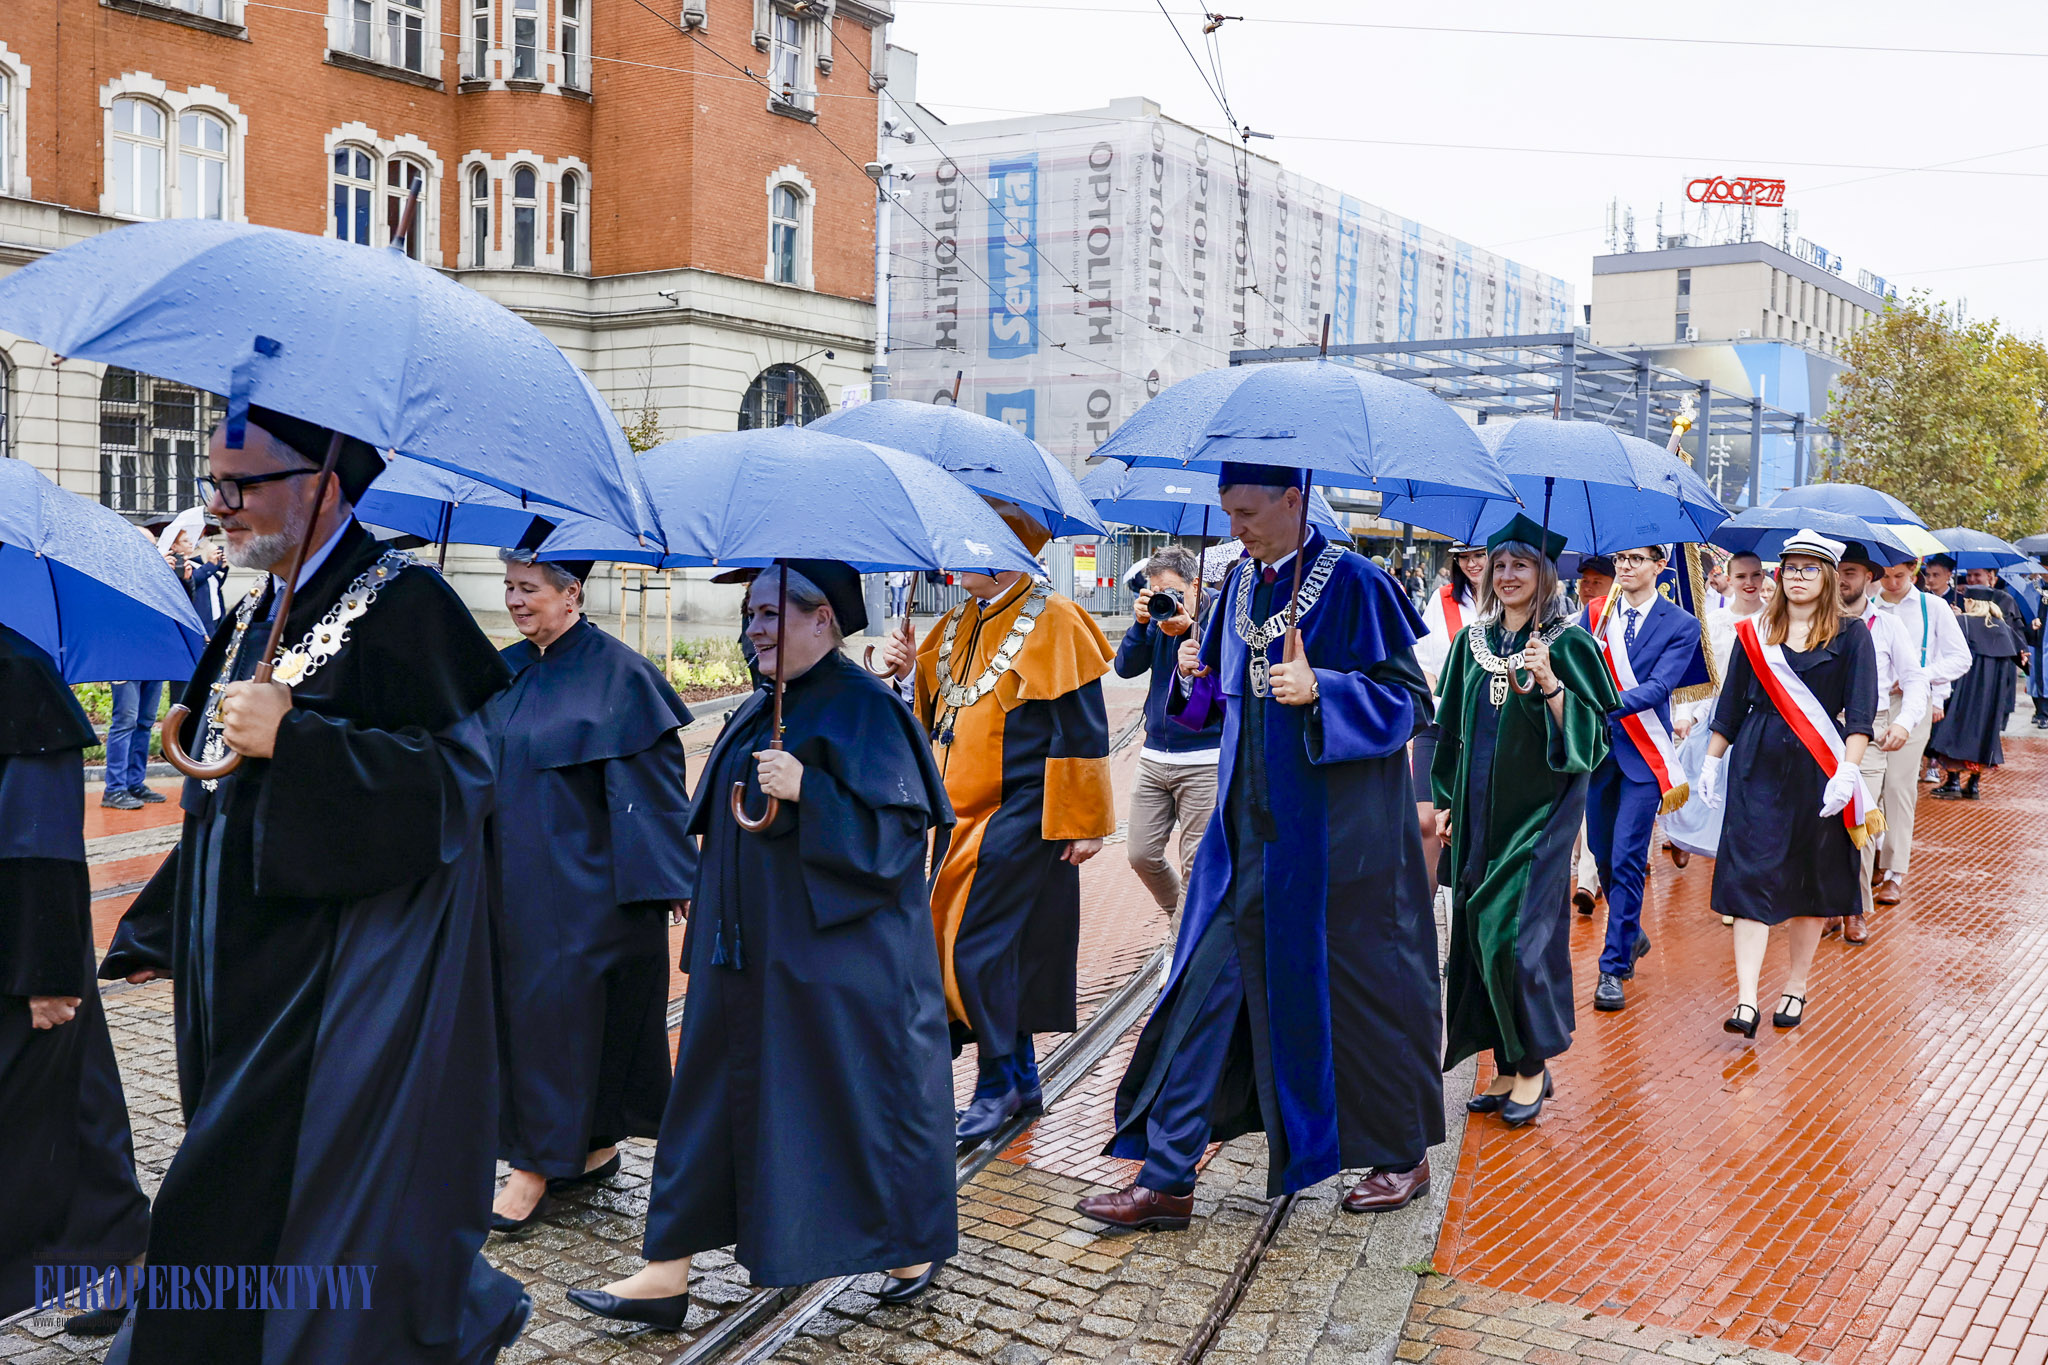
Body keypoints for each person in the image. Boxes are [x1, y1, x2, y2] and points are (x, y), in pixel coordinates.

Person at [98, 405, 530, 1364]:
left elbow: (458, 786)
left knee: (236, 1185)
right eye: (213, 482)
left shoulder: (409, 604)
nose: (218, 505)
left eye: (239, 484)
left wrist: (296, 737)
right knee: (241, 1176)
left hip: (328, 977)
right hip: (234, 964)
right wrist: (162, 923)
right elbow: (221, 794)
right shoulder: (254, 609)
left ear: (324, 484)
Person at [570, 563, 958, 1327]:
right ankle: (665, 1270)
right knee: (704, 1106)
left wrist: (812, 790)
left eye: (772, 613)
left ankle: (907, 1245)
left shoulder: (868, 708)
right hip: (740, 956)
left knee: (845, 1107)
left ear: (824, 619)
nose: (754, 628)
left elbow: (896, 844)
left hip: (827, 967)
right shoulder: (761, 703)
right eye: (750, 613)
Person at [1083, 463, 1442, 1230]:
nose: (1236, 526)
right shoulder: (1238, 586)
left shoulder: (1359, 584)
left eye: (1248, 511)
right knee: (1199, 995)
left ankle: (1403, 1152)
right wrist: (1191, 674)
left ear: (1293, 498)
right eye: (1228, 511)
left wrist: (1326, 691)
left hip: (1335, 849)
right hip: (1240, 841)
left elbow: (1410, 703)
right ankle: (1168, 1176)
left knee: (1363, 999)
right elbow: (1219, 703)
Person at [879, 505, 1116, 1145]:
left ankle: (997, 1083)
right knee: (988, 947)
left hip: (1021, 813)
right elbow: (935, 713)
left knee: (974, 947)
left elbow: (1084, 728)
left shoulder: (1058, 618)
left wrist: (1085, 822)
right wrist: (907, 671)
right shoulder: (957, 621)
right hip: (956, 816)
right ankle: (1020, 1079)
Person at [482, 548, 697, 1234]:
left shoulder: (622, 675)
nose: (515, 600)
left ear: (571, 594)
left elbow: (654, 794)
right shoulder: (504, 668)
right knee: (530, 1020)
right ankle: (592, 1146)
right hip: (511, 883)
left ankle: (532, 1168)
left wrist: (673, 879)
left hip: (587, 894)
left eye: (529, 588)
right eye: (509, 587)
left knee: (558, 1025)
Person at [1432, 517, 1617, 1128]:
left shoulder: (1569, 644)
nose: (1507, 576)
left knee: (1508, 936)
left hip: (1539, 817)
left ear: (1546, 573)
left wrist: (1551, 684)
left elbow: (1592, 742)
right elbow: (1451, 731)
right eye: (1500, 565)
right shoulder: (1471, 643)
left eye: (1522, 565)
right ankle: (1508, 1062)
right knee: (1475, 935)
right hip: (1478, 813)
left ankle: (1533, 1064)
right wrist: (1445, 799)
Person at [0, 626, 151, 1324]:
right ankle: (135, 1263)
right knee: (86, 1104)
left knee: (53, 1109)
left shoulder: (18, 671)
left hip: (23, 952)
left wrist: (50, 972)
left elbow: (41, 838)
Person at [1698, 532, 1877, 1039]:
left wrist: (1848, 771)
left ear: (1828, 577)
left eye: (1809, 568)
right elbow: (1731, 704)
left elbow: (1860, 715)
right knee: (1749, 874)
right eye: (1790, 568)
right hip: (1756, 765)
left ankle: (1796, 985)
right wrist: (1711, 762)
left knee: (1808, 880)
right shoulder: (1755, 631)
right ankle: (1746, 999)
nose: (1797, 577)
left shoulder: (1851, 635)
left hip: (1818, 770)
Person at [1580, 544, 1701, 1013]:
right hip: (1597, 752)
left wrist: (1599, 701)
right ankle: (1630, 931)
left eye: (1635, 559)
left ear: (1659, 565)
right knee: (1601, 854)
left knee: (1628, 857)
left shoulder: (1681, 624)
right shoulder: (1595, 612)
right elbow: (1575, 665)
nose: (1625, 567)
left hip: (1643, 756)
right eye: (1620, 560)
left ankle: (1613, 967)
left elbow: (1659, 687)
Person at [1114, 546, 1222, 926]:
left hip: (1205, 757)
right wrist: (1140, 624)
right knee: (1141, 854)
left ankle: (1179, 947)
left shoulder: (1219, 612)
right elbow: (1124, 668)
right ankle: (1190, 927)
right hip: (1154, 754)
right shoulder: (1157, 617)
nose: (1165, 598)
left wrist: (1193, 629)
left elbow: (1231, 667)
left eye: (1172, 591)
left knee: (1196, 865)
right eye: (1156, 591)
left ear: (1195, 585)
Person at [1833, 544, 1928, 944]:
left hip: (1869, 731)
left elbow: (1916, 679)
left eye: (1850, 572)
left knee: (1859, 818)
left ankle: (1854, 907)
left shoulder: (1887, 626)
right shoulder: (1813, 620)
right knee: (1816, 818)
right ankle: (1822, 903)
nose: (1841, 579)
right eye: (1835, 570)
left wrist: (1904, 722)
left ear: (1868, 577)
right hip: (1818, 727)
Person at [1413, 541, 1486, 906]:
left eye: (1479, 555)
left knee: (1472, 823)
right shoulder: (1441, 600)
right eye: (1464, 557)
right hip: (1439, 722)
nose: (1471, 564)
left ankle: (1469, 913)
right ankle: (1421, 920)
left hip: (1486, 728)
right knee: (1425, 821)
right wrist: (1437, 699)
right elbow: (1423, 662)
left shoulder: (1513, 602)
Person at [1927, 562, 2026, 800]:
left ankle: (1952, 781)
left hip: (1964, 691)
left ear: (1971, 602)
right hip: (1992, 696)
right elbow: (2021, 656)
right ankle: (1973, 785)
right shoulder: (2003, 628)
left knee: (1954, 731)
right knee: (1984, 735)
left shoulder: (1963, 623)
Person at [1568, 554, 1615, 912]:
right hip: (1574, 726)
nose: (1588, 587)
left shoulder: (1621, 626)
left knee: (1594, 807)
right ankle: (1585, 874)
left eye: (1597, 582)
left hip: (1615, 730)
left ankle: (1588, 879)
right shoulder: (1568, 624)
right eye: (1584, 580)